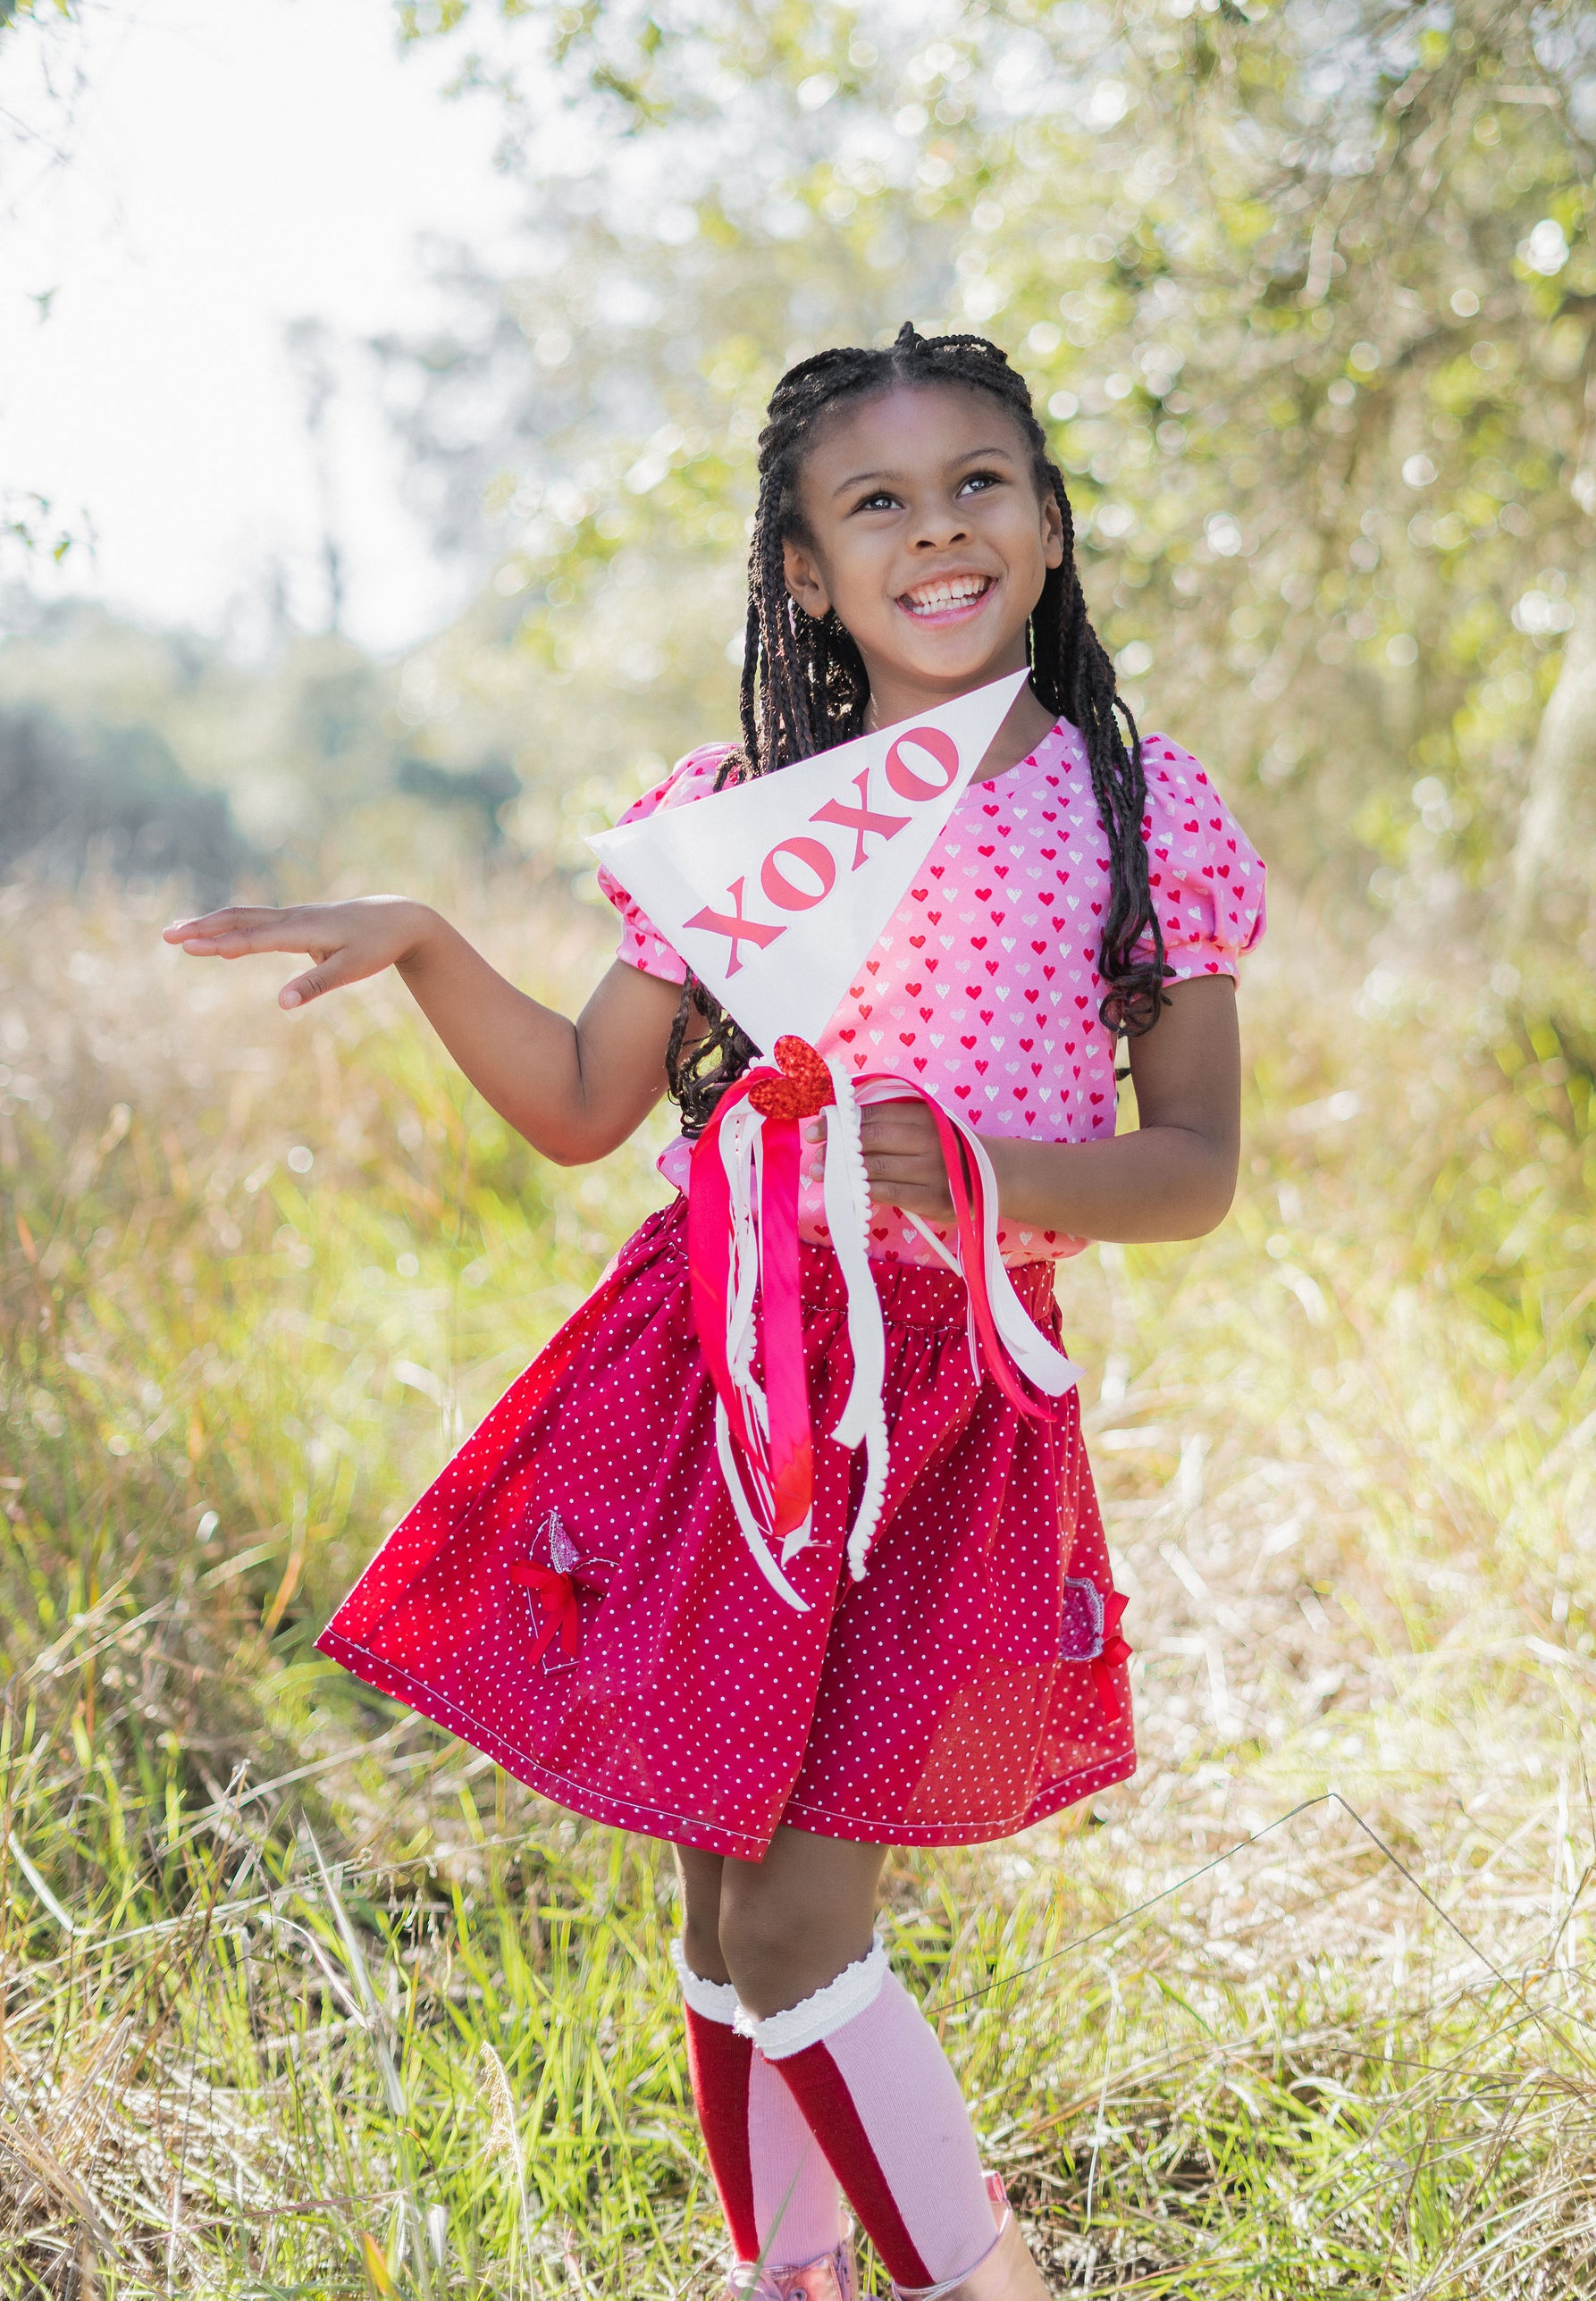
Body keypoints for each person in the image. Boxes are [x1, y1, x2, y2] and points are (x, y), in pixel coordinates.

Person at [164, 324, 1264, 2301]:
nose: (937, 531)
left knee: (793, 1926)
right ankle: (794, 2274)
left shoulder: (1134, 809)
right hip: (718, 1373)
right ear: (805, 574)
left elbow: (1189, 1168)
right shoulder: (746, 813)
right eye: (876, 503)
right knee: (714, 1902)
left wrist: (971, 1166)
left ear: (1048, 520)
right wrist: (425, 942)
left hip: (931, 1402)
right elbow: (588, 1104)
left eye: (978, 484)